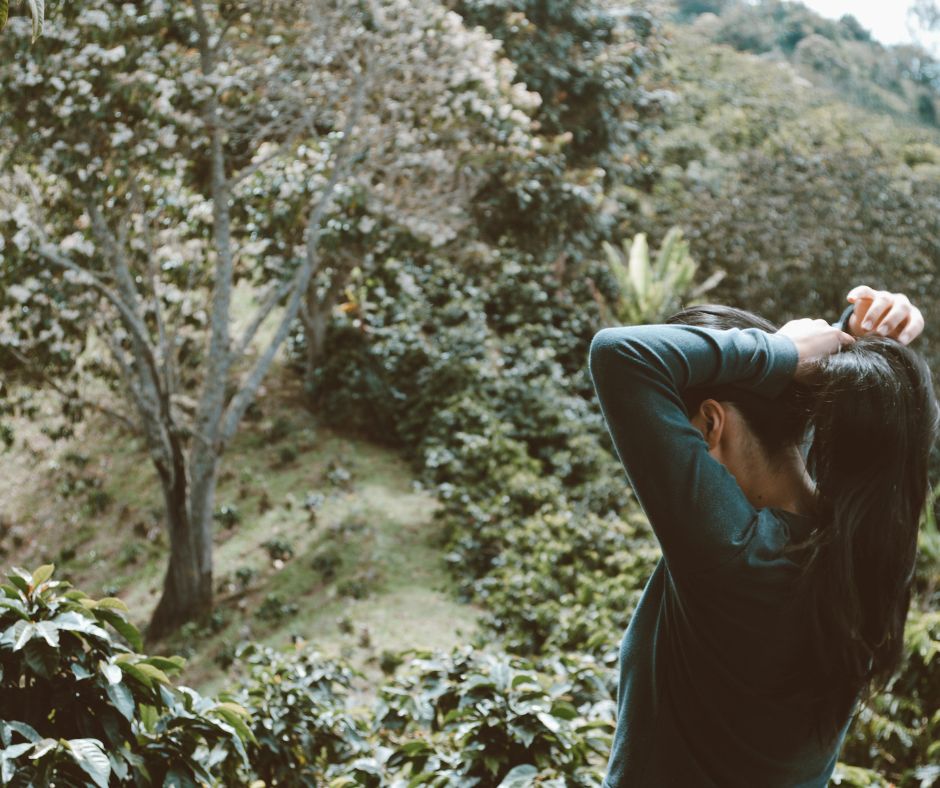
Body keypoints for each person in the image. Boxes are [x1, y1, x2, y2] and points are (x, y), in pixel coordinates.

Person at [587, 284, 938, 787]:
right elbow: (882, 452)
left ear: (710, 424)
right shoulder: (866, 547)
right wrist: (865, 345)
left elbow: (620, 354)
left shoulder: (733, 553)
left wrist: (786, 354)